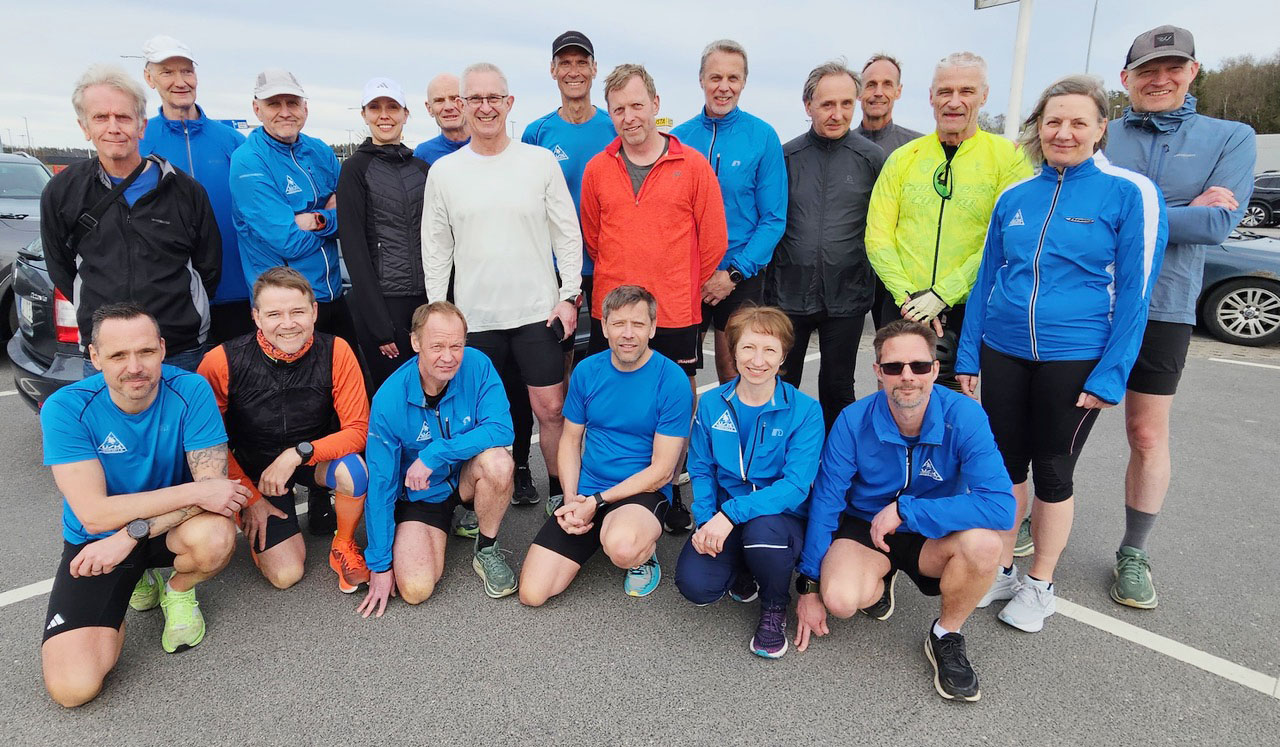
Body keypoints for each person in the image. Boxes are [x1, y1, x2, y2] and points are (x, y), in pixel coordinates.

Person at [955, 75, 1168, 634]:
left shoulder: (1129, 192)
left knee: (1052, 470)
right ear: (1039, 128)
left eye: (1078, 122)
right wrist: (968, 355)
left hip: (1075, 355)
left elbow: (1136, 293)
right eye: (1053, 121)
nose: (1064, 132)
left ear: (1101, 128)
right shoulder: (1015, 196)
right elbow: (986, 280)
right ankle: (1002, 569)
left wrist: (1111, 372)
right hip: (1003, 350)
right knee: (1003, 465)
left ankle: (1040, 583)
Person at [1099, 24, 1256, 609]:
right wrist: (1179, 211)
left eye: (1172, 68)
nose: (1159, 79)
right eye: (1147, 70)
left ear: (1192, 71)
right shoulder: (1099, 131)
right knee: (1062, 426)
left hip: (1163, 308)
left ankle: (1133, 551)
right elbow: (1072, 213)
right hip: (1090, 303)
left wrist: (1122, 213)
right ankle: (1038, 517)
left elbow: (1217, 224)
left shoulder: (1230, 136)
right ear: (1126, 79)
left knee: (1145, 433)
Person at [40, 303, 249, 707]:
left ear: (163, 349)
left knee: (217, 534)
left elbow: (218, 494)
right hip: (98, 541)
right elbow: (94, 515)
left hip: (161, 530)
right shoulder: (65, 408)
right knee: (73, 688)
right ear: (95, 356)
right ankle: (131, 584)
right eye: (118, 355)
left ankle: (178, 591)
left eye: (146, 352)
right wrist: (195, 492)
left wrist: (132, 534)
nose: (135, 367)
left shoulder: (191, 390)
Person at [794, 320, 1015, 702]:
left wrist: (907, 511)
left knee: (985, 546)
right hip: (866, 525)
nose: (907, 376)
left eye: (919, 365)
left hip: (933, 530)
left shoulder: (965, 416)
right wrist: (809, 585)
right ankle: (881, 575)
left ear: (935, 369)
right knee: (841, 601)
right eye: (894, 367)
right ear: (878, 371)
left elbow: (1000, 506)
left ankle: (946, 634)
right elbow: (827, 500)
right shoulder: (853, 420)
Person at [422, 62, 582, 519]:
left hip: (537, 314)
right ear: (463, 104)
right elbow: (436, 248)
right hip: (476, 320)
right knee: (480, 416)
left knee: (551, 410)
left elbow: (566, 233)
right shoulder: (445, 172)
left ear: (509, 103)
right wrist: (439, 312)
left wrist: (569, 295)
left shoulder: (539, 162)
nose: (485, 107)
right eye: (475, 98)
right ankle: (480, 501)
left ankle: (560, 492)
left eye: (494, 98)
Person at [580, 63, 727, 529]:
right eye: (618, 109)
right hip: (614, 311)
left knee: (676, 400)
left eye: (637, 105)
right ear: (609, 113)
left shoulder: (693, 165)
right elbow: (593, 238)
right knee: (614, 398)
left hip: (675, 310)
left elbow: (713, 241)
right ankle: (607, 487)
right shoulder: (597, 169)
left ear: (656, 105)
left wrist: (676, 281)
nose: (629, 117)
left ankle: (669, 486)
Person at [198, 267, 371, 594]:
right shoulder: (219, 361)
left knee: (353, 470)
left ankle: (344, 545)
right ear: (256, 317)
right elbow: (208, 448)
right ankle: (269, 509)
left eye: (298, 312)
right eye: (275, 314)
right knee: (286, 574)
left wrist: (297, 454)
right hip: (256, 470)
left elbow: (358, 430)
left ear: (314, 312)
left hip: (309, 457)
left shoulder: (337, 350)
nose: (288, 323)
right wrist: (249, 498)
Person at [865, 52, 1032, 389]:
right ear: (931, 97)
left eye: (966, 91)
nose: (954, 101)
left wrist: (942, 295)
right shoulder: (903, 158)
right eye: (945, 91)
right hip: (903, 304)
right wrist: (910, 299)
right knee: (896, 400)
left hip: (969, 307)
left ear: (984, 96)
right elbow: (878, 236)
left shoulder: (1010, 158)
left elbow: (1003, 241)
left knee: (956, 407)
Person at [41, 64, 221, 376]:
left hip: (180, 350)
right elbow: (60, 267)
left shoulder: (185, 191)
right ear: (84, 127)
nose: (113, 127)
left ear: (141, 126)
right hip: (106, 354)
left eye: (123, 117)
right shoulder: (62, 191)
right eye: (101, 117)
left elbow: (209, 267)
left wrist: (181, 316)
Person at [519, 286, 694, 605]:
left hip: (643, 490)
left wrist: (597, 502)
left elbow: (662, 470)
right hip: (588, 489)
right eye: (618, 324)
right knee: (533, 593)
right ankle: (603, 527)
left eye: (638, 324)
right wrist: (571, 500)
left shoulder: (672, 380)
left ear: (653, 328)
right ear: (604, 327)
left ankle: (643, 554)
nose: (628, 334)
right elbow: (570, 440)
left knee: (622, 547)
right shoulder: (587, 371)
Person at [674, 306, 823, 658]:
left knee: (762, 535)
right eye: (748, 348)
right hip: (725, 511)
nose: (758, 360)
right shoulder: (712, 403)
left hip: (779, 517)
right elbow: (701, 468)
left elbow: (795, 486)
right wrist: (706, 519)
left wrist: (730, 515)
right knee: (695, 585)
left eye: (769, 350)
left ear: (783, 356)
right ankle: (743, 567)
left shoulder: (805, 410)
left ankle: (774, 605)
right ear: (733, 351)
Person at [358, 302, 517, 616]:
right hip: (422, 494)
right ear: (416, 343)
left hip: (463, 476)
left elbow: (502, 428)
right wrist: (379, 564)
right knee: (416, 589)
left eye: (456, 346)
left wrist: (435, 453)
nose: (449, 357)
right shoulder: (388, 400)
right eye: (437, 346)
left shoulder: (478, 365)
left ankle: (486, 547)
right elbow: (381, 485)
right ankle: (450, 523)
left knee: (499, 463)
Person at [515, 30, 617, 505]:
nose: (574, 70)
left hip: (606, 268)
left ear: (594, 69)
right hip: (552, 274)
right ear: (553, 71)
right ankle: (552, 481)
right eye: (565, 63)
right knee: (550, 382)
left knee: (600, 374)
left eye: (582, 62)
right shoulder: (537, 133)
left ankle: (600, 471)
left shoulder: (614, 126)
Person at [767, 61, 884, 430]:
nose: (837, 114)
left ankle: (838, 461)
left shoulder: (872, 159)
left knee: (838, 388)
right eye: (827, 104)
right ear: (808, 105)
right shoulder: (785, 157)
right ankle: (784, 459)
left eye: (846, 104)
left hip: (847, 296)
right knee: (782, 386)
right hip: (788, 293)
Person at [672, 40, 787, 384]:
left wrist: (733, 274)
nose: (724, 87)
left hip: (741, 275)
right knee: (680, 372)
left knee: (734, 370)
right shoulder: (678, 139)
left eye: (733, 78)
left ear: (744, 82)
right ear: (701, 79)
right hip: (687, 276)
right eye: (715, 77)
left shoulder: (762, 136)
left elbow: (773, 219)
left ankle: (737, 424)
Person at [229, 68, 355, 347]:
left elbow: (352, 217)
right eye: (274, 103)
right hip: (286, 308)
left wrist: (316, 219)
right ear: (257, 109)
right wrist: (331, 220)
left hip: (332, 295)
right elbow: (288, 241)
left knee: (346, 371)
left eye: (293, 103)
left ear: (305, 108)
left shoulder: (320, 151)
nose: (285, 112)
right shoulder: (249, 160)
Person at [138, 35, 250, 344]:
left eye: (187, 71)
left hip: (236, 292)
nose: (180, 81)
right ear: (149, 78)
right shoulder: (140, 141)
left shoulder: (232, 141)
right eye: (167, 72)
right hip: (170, 301)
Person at [337, 77, 430, 388]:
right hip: (384, 306)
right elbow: (354, 250)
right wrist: (379, 326)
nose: (384, 115)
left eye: (392, 107)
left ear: (406, 114)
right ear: (364, 114)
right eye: (375, 108)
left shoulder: (422, 169)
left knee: (432, 388)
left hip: (424, 301)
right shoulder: (354, 170)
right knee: (394, 393)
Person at [856, 53, 924, 330]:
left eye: (887, 84)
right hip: (853, 268)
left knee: (896, 345)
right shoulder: (844, 144)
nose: (878, 92)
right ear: (859, 91)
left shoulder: (918, 148)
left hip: (899, 271)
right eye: (871, 84)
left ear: (898, 91)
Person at [413, 73, 470, 166]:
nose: (448, 107)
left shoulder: (489, 147)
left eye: (454, 98)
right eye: (439, 101)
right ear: (429, 108)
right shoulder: (423, 155)